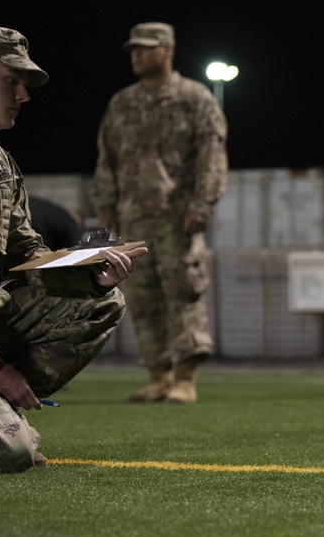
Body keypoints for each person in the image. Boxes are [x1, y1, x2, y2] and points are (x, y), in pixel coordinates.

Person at [0, 22, 147, 474]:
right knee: (11, 454)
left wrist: (91, 274)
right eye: (12, 81)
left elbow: (25, 255)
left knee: (101, 302)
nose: (24, 95)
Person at [90, 22, 227, 404]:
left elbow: (211, 155)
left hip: (176, 217)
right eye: (132, 48)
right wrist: (106, 207)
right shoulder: (122, 103)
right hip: (133, 218)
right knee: (143, 298)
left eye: (145, 48)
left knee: (182, 290)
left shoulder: (195, 98)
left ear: (166, 49)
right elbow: (107, 160)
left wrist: (202, 202)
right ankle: (159, 375)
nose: (136, 54)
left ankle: (185, 378)